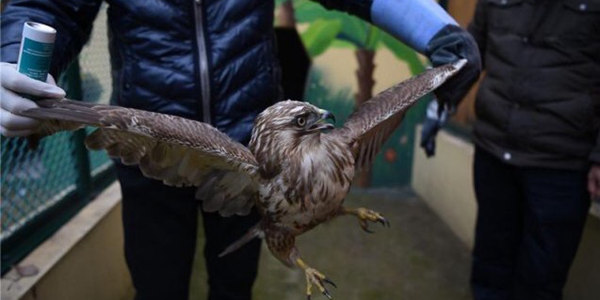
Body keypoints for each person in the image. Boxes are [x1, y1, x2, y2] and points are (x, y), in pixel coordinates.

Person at [1, 0, 480, 299]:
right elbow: (50, 5)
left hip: (257, 156)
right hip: (152, 149)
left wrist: (438, 31)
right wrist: (14, 61)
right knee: (157, 284)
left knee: (234, 285)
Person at [424, 1, 599, 299]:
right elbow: (471, 49)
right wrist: (440, 102)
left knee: (541, 278)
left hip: (560, 163)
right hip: (494, 150)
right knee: (490, 266)